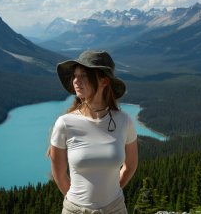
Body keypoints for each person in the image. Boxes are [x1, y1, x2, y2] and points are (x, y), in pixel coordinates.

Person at [49, 50, 138, 214]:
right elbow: (59, 175)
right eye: (75, 75)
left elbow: (131, 165)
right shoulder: (65, 123)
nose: (76, 81)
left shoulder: (124, 121)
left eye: (84, 75)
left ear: (104, 81)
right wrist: (79, 206)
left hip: (115, 209)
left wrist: (112, 191)